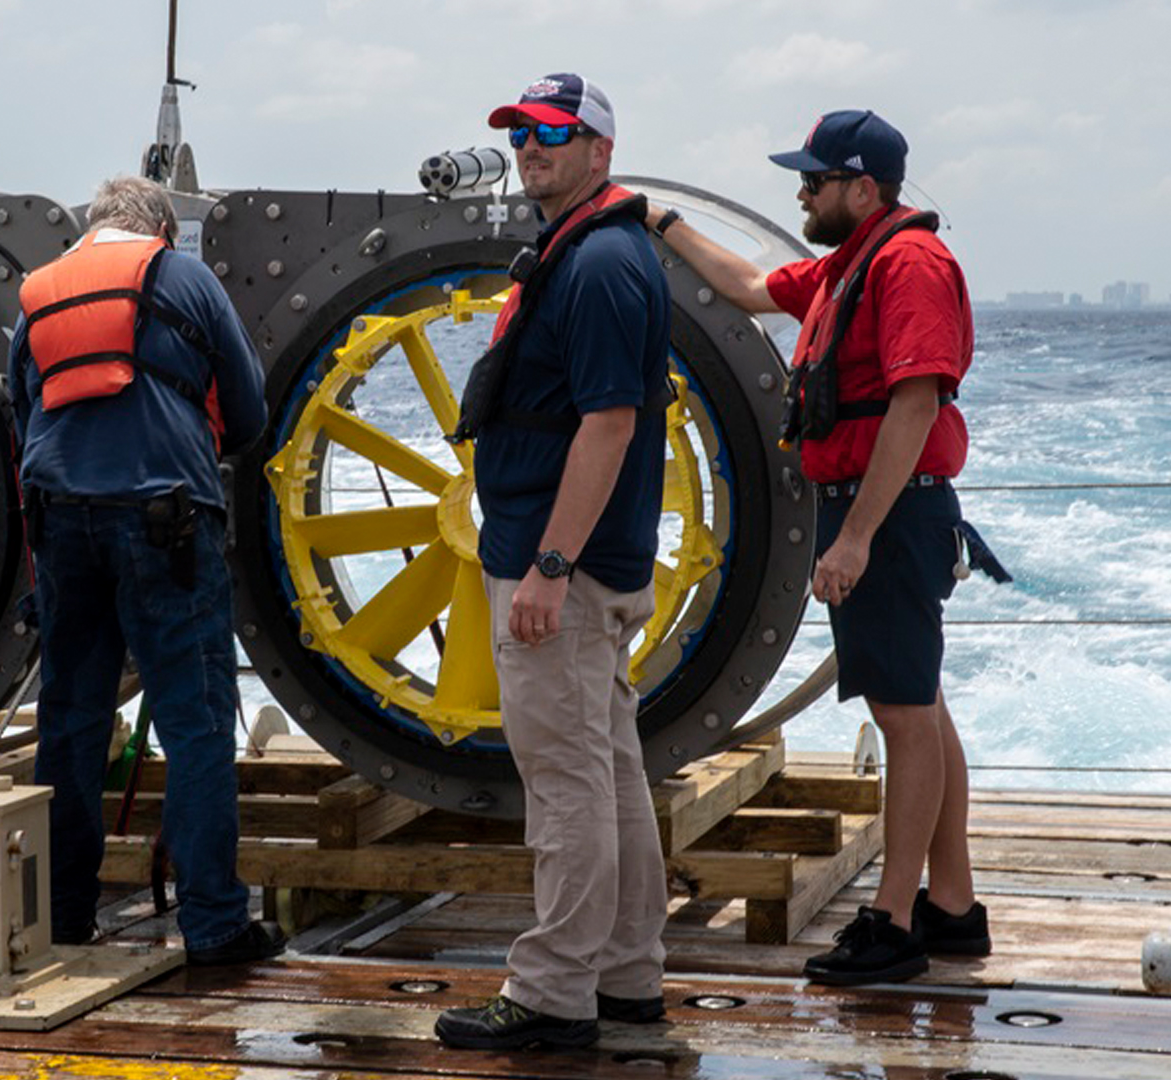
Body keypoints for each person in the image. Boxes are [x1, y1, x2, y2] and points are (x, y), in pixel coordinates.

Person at [645, 109, 993, 985]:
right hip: (880, 508)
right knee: (922, 701)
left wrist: (858, 539)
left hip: (890, 511)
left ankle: (894, 923)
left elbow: (914, 405)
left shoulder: (908, 264)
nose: (799, 192)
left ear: (863, 188)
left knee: (903, 719)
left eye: (814, 180)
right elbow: (752, 286)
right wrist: (663, 223)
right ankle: (953, 907)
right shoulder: (853, 265)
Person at [433, 73, 675, 1050]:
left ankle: (551, 997)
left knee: (567, 783)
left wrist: (549, 564)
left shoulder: (599, 267)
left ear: (599, 152)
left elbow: (609, 426)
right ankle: (625, 978)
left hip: (564, 571)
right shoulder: (598, 251)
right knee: (609, 773)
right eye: (521, 132)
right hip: (585, 562)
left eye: (553, 133)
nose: (531, 147)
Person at [9, 174, 284, 966]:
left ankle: (62, 914)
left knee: (70, 718)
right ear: (159, 226)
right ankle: (214, 924)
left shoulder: (38, 290)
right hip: (165, 518)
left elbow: (26, 413)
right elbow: (249, 409)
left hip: (60, 519)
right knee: (195, 718)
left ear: (91, 230)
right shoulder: (182, 275)